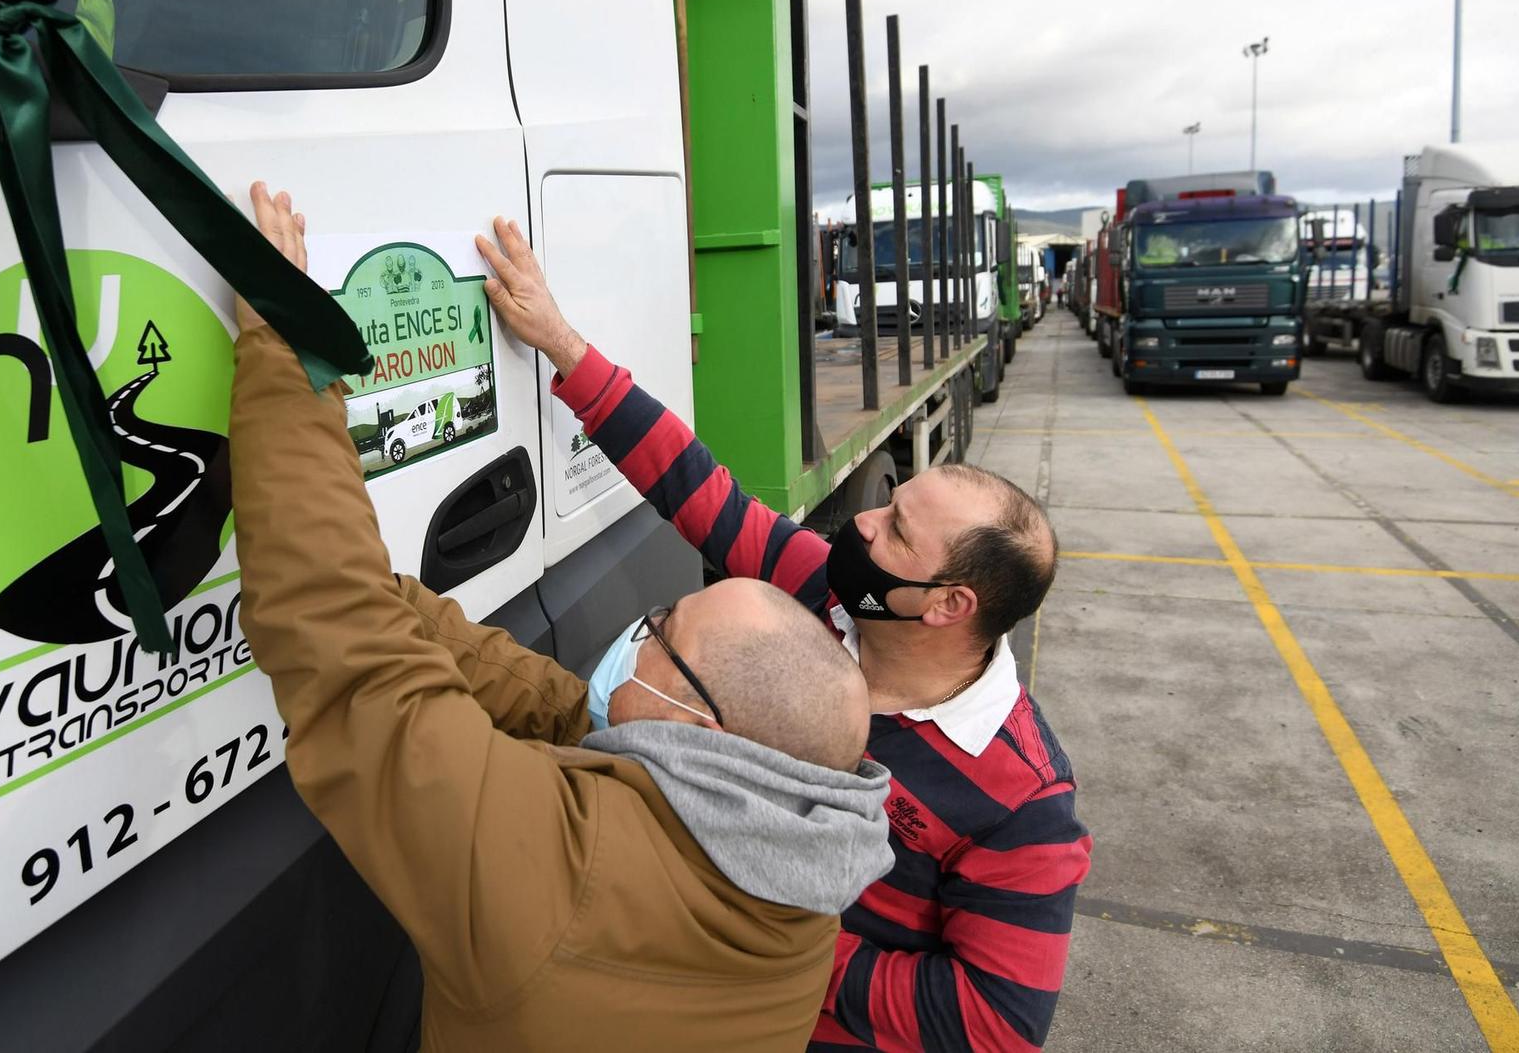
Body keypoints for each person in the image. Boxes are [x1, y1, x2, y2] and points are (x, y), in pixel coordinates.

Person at [229, 184, 896, 1053]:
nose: (640, 630)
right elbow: (575, 715)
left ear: (701, 728)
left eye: (663, 627)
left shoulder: (547, 881)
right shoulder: (800, 881)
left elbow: (340, 644)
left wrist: (287, 338)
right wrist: (400, 605)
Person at [477, 216, 1092, 1053]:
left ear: (948, 605)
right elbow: (698, 489)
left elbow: (993, 1025)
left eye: (897, 532)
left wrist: (767, 946)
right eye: (890, 499)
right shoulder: (830, 593)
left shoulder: (1023, 799)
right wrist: (561, 342)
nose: (864, 519)